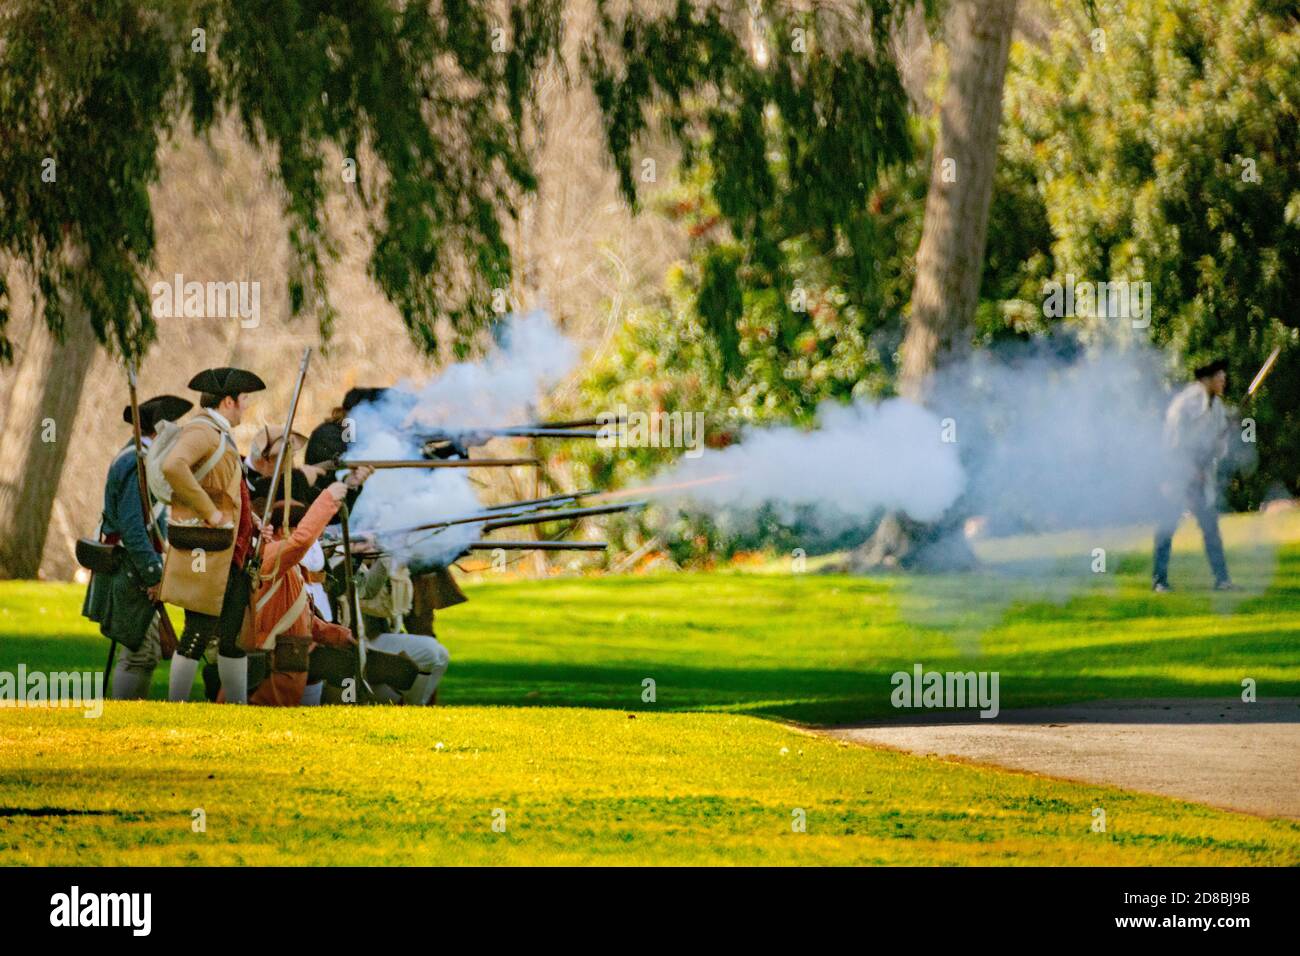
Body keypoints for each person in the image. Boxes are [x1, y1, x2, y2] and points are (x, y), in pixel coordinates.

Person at [162, 367, 265, 702]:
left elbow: (230, 488)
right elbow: (173, 466)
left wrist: (252, 519)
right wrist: (208, 511)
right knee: (198, 632)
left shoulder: (218, 434)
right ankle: (175, 706)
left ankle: (237, 709)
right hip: (208, 550)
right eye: (243, 400)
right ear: (227, 401)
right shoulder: (203, 431)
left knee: (232, 636)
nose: (246, 406)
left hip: (229, 552)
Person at [82, 394, 192, 699]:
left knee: (147, 649)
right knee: (138, 651)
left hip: (134, 566)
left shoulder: (143, 461)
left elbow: (152, 522)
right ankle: (124, 717)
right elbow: (132, 528)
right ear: (159, 433)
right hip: (130, 568)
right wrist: (154, 574)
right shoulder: (136, 463)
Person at [244, 471, 371, 707]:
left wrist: (340, 635)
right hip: (274, 668)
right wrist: (328, 499)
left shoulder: (284, 564)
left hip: (291, 663)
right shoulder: (269, 556)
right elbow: (300, 542)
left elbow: (303, 617)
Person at [1152, 359, 1235, 592]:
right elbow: (1173, 445)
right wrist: (1189, 469)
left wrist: (1224, 435)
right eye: (1219, 375)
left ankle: (1222, 580)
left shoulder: (1217, 406)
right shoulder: (1183, 405)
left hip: (1201, 476)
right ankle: (1159, 580)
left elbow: (1219, 446)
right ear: (1206, 378)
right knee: (1167, 526)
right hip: (1178, 473)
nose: (1223, 380)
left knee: (1210, 528)